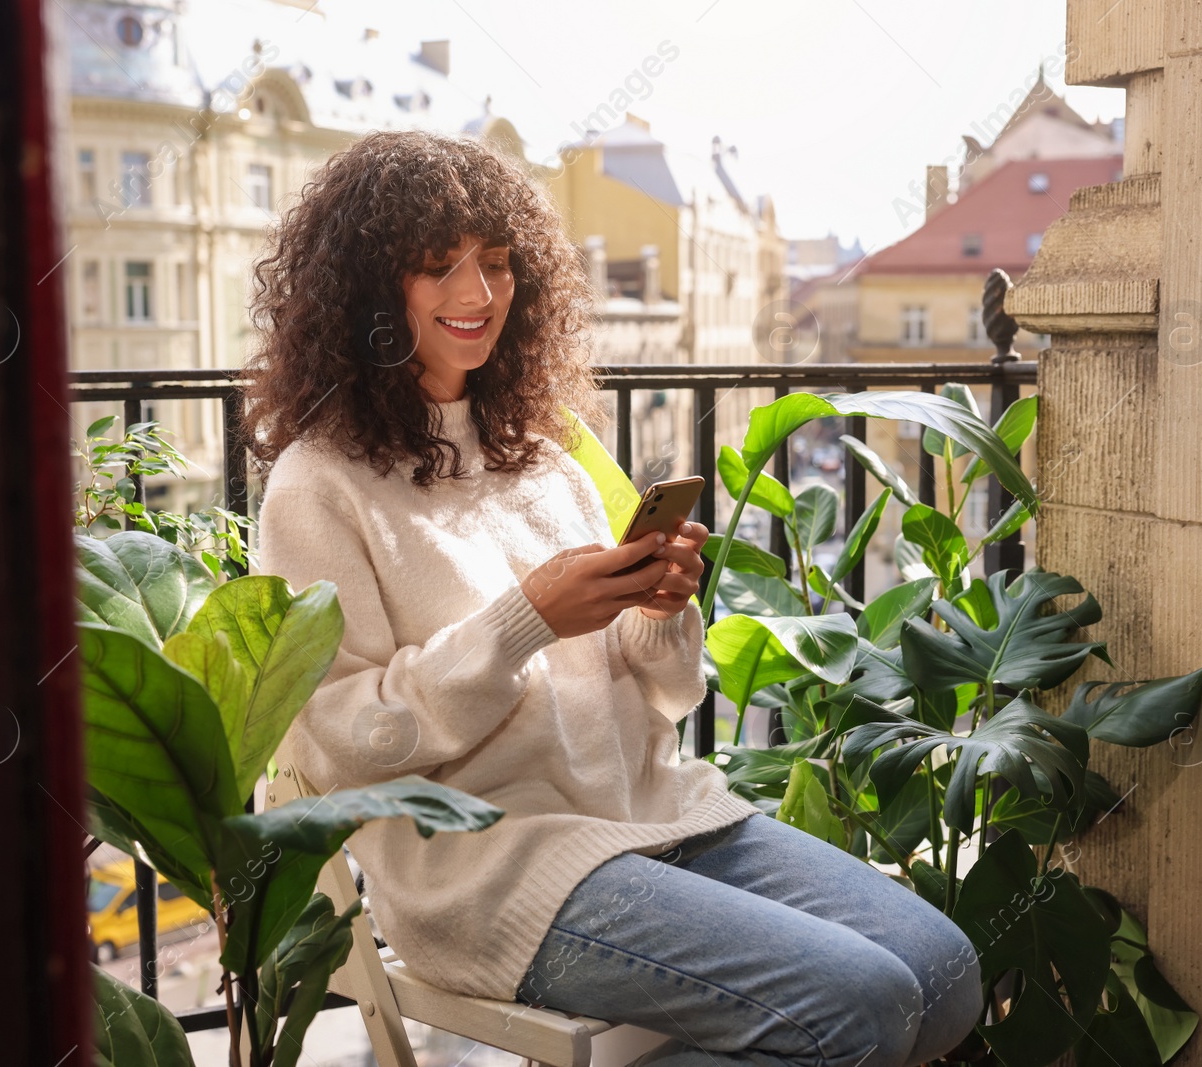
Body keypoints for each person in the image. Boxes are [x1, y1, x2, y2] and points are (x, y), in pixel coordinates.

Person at [247, 129, 982, 1067]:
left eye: (500, 264)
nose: (479, 296)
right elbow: (346, 741)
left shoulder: (541, 456)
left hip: (652, 813)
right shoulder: (318, 485)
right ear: (364, 291)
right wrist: (526, 620)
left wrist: (660, 608)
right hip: (493, 874)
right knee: (861, 1007)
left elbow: (668, 696)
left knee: (944, 974)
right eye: (438, 268)